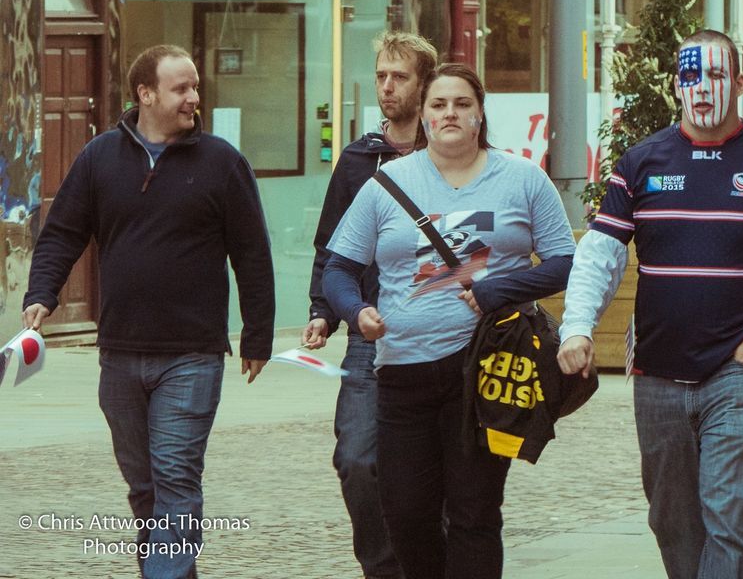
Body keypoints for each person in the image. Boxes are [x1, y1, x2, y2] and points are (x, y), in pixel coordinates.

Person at [557, 29, 743, 579]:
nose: (702, 88)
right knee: (672, 519)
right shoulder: (641, 161)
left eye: (715, 74)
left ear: (741, 82)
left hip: (740, 374)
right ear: (675, 86)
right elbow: (602, 254)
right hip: (657, 371)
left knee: (729, 516)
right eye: (690, 75)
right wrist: (577, 327)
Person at [23, 44, 275, 579]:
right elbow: (63, 232)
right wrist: (41, 294)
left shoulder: (223, 163)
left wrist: (258, 335)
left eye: (195, 87)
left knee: (176, 476)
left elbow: (252, 253)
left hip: (193, 353)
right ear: (146, 94)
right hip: (118, 353)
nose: (194, 98)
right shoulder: (99, 157)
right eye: (181, 88)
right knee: (145, 486)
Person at [322, 62, 576, 579]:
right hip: (402, 373)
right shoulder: (387, 183)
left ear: (480, 113)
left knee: (473, 512)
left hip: (483, 372)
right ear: (424, 117)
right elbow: (339, 269)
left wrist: (498, 290)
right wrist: (356, 310)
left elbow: (564, 261)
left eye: (462, 103)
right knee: (406, 513)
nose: (450, 113)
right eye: (439, 105)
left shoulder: (523, 178)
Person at [301, 30, 437, 579]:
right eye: (381, 75)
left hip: (442, 332)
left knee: (435, 468)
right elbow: (331, 246)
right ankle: (384, 568)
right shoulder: (359, 160)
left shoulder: (450, 155)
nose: (386, 86)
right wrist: (322, 310)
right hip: (369, 333)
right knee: (357, 461)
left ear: (424, 84)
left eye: (399, 76)